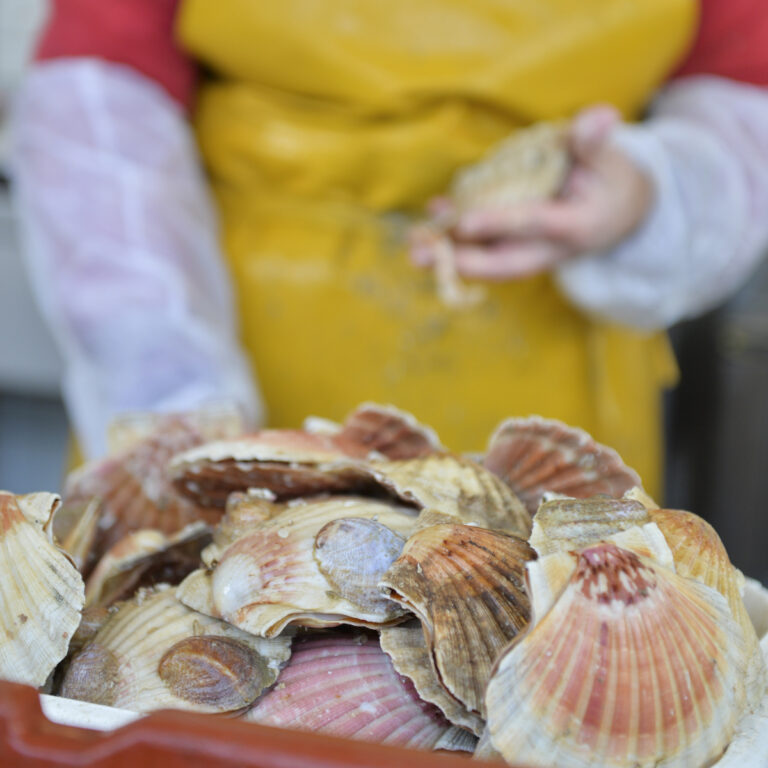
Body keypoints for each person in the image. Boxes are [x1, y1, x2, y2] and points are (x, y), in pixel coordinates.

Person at [10, 0, 768, 500]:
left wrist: (652, 196)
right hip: (223, 332)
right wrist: (171, 394)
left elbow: (745, 108)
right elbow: (97, 96)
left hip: (550, 397)